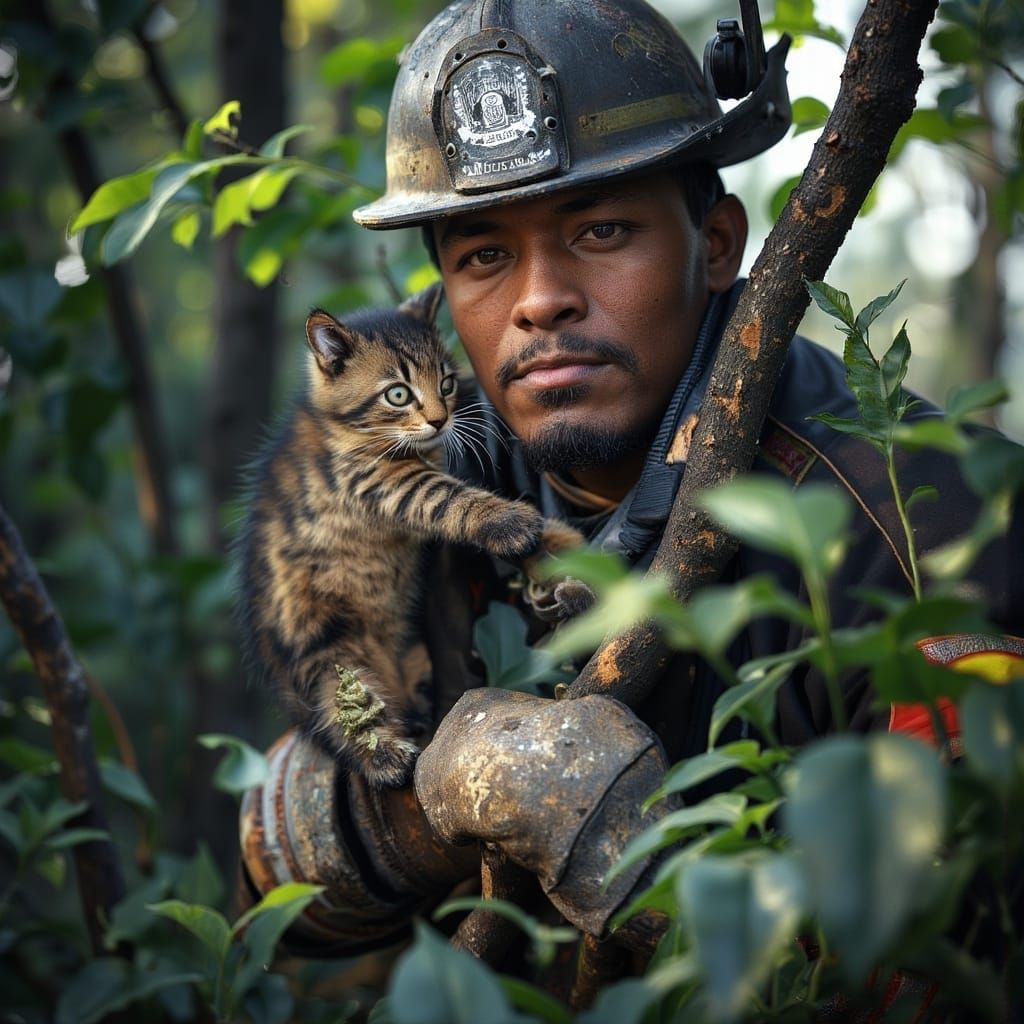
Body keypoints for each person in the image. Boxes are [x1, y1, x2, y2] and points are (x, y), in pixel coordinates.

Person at [239, 0, 1024, 970]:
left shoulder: (916, 515)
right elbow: (275, 903)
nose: (537, 300)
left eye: (602, 229)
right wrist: (430, 805)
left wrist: (647, 872)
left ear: (720, 244)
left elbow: (969, 938)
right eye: (485, 255)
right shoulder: (424, 497)